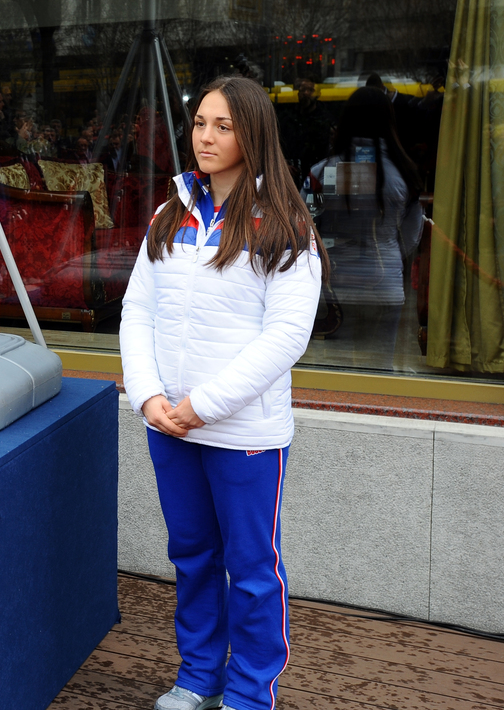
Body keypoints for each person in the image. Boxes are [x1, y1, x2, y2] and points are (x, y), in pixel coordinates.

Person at [119, 75, 327, 710]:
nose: (205, 137)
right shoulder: (171, 214)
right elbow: (137, 310)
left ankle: (248, 692)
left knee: (252, 570)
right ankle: (198, 678)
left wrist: (202, 405)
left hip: (242, 433)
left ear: (252, 135)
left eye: (223, 126)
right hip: (171, 427)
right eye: (200, 123)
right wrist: (149, 397)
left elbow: (286, 336)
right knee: (192, 558)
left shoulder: (284, 224)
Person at [308, 87, 423, 369]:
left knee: (336, 371)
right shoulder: (404, 175)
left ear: (345, 120)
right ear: (390, 122)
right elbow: (410, 237)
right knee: (379, 372)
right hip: (386, 287)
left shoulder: (322, 173)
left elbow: (308, 229)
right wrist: (385, 250)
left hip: (336, 286)